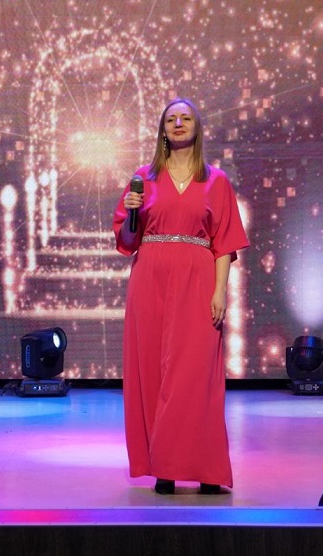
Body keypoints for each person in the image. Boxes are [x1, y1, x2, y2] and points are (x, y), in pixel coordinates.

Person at [113, 97, 249, 495]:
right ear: (162, 130)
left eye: (185, 118)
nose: (178, 123)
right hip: (150, 280)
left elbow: (225, 244)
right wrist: (132, 212)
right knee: (154, 370)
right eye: (171, 119)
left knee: (197, 374)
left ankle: (206, 468)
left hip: (198, 280)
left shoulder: (216, 181)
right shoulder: (143, 178)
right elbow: (126, 240)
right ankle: (165, 466)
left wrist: (220, 291)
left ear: (196, 127)